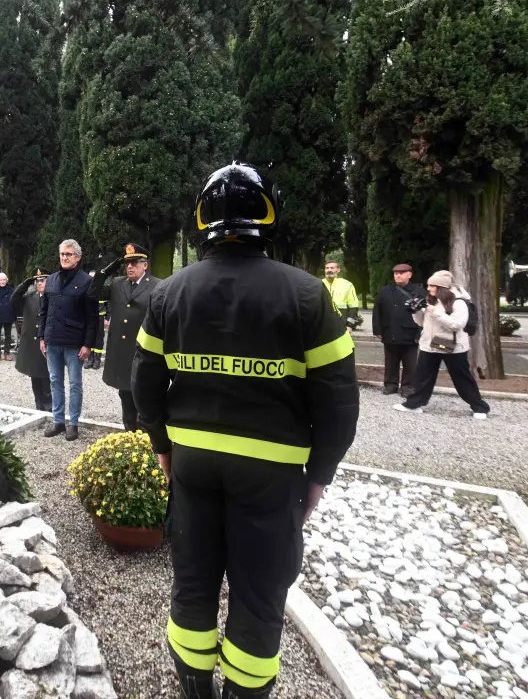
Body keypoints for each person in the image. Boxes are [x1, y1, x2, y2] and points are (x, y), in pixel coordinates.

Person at [133, 164, 359, 699]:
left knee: (193, 582)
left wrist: (163, 446)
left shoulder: (168, 293)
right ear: (269, 215)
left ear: (201, 220)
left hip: (192, 462)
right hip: (271, 471)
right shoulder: (308, 295)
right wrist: (319, 474)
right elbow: (338, 402)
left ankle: (195, 688)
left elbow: (145, 384)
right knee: (259, 595)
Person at [392, 270, 490, 418]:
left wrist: (436, 313)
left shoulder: (458, 302)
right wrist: (416, 311)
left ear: (442, 287)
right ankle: (413, 404)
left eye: (432, 286)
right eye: (428, 285)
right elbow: (421, 323)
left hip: (452, 346)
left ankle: (480, 407)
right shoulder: (432, 300)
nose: (428, 288)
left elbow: (456, 325)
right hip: (429, 344)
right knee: (422, 377)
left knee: (462, 378)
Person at [90, 243, 161, 432]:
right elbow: (93, 293)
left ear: (145, 265)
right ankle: (129, 434)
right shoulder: (117, 283)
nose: (129, 266)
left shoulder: (157, 285)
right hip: (121, 353)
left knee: (144, 398)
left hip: (143, 352)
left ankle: (146, 438)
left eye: (134, 262)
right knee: (126, 397)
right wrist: (105, 271)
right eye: (127, 263)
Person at [39, 239, 96, 441]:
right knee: (55, 381)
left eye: (69, 254)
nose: (64, 257)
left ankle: (73, 423)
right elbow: (44, 311)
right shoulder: (52, 280)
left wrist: (88, 344)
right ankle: (58, 421)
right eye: (62, 254)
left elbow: (92, 317)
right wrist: (42, 337)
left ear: (77, 257)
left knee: (75, 384)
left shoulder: (86, 281)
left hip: (74, 342)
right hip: (52, 340)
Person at [371, 264, 425, 396]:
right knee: (390, 361)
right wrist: (377, 330)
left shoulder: (418, 291)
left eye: (401, 273)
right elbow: (377, 311)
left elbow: (424, 315)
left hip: (410, 333)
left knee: (410, 363)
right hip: (390, 332)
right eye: (396, 273)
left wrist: (420, 334)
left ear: (409, 274)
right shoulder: (385, 291)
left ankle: (408, 386)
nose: (398, 275)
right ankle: (391, 385)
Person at [12, 267, 54, 411]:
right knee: (34, 375)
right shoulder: (29, 296)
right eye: (37, 281)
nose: (39, 283)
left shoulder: (54, 297)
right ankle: (39, 406)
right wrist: (26, 283)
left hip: (46, 342)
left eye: (43, 280)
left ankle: (49, 407)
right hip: (31, 343)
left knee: (47, 375)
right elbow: (14, 299)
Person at [323, 260, 361, 330]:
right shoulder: (319, 284)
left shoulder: (347, 285)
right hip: (322, 325)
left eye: (332, 268)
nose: (329, 270)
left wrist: (350, 325)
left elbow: (353, 307)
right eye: (327, 268)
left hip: (341, 324)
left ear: (338, 270)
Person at [86, 270, 105, 369]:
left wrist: (107, 318)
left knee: (99, 338)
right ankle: (90, 359)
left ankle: (97, 360)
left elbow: (109, 305)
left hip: (100, 317)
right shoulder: (86, 289)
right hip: (89, 318)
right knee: (90, 337)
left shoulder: (102, 289)